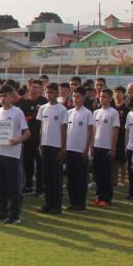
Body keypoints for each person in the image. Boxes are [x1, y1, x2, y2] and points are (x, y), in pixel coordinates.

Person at [0, 83, 29, 224]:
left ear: (12, 97)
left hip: (13, 154)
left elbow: (27, 132)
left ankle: (15, 215)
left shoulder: (17, 112)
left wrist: (17, 140)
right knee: (0, 184)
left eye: (5, 96)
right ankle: (2, 211)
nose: (2, 98)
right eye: (0, 95)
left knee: (14, 186)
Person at [38, 82, 68, 214]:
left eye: (51, 92)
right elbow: (41, 128)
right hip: (45, 146)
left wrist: (63, 148)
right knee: (46, 177)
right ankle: (48, 204)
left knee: (56, 177)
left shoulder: (62, 109)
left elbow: (64, 129)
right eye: (47, 92)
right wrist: (40, 144)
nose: (49, 94)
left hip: (56, 147)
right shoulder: (43, 108)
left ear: (57, 93)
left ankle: (57, 206)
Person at [65, 89, 94, 211]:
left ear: (83, 98)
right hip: (69, 149)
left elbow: (90, 132)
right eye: (73, 96)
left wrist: (87, 148)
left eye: (77, 96)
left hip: (81, 150)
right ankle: (72, 202)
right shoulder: (69, 112)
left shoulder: (87, 113)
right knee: (71, 177)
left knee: (81, 178)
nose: (75, 99)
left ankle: (80, 203)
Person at [91, 89, 119, 206]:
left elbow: (115, 130)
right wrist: (92, 145)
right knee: (97, 174)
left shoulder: (113, 112)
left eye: (105, 97)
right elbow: (93, 130)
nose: (102, 99)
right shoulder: (96, 112)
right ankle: (98, 196)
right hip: (97, 146)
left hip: (107, 148)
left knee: (106, 174)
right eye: (101, 96)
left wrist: (113, 148)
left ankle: (106, 198)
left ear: (110, 98)